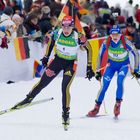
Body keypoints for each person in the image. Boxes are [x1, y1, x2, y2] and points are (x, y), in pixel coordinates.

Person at [12, 16, 95, 126]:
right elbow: (51, 42)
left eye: (68, 27)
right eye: (64, 26)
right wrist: (46, 57)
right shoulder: (57, 33)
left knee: (65, 87)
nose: (66, 29)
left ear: (72, 27)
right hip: (57, 61)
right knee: (42, 83)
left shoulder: (78, 36)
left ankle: (65, 114)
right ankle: (28, 99)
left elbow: (89, 48)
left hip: (70, 64)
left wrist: (89, 67)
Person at [87, 25, 140, 118]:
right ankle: (96, 107)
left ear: (120, 34)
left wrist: (136, 70)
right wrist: (98, 71)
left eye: (117, 34)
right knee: (104, 86)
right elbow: (100, 55)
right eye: (113, 34)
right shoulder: (106, 42)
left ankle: (118, 104)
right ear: (110, 34)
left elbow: (135, 53)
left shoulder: (125, 41)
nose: (115, 37)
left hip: (123, 66)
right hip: (111, 66)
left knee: (119, 82)